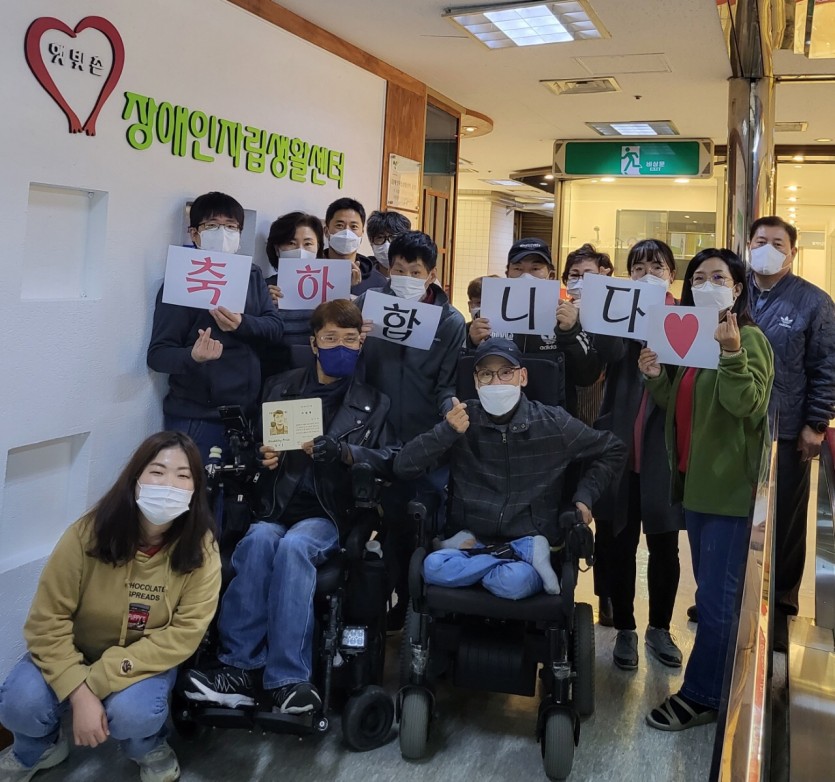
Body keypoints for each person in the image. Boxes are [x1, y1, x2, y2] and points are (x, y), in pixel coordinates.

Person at [182, 300, 399, 715]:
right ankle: (238, 668)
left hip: (330, 514)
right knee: (259, 540)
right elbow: (253, 447)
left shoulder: (375, 403)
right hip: (276, 506)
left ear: (361, 344)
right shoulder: (280, 388)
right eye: (330, 338)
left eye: (350, 339)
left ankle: (288, 678)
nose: (340, 346)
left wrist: (346, 453)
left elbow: (391, 458)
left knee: (295, 546)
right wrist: (260, 456)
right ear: (314, 343)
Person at [0, 432, 220, 782]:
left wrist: (98, 681)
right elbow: (46, 621)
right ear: (135, 479)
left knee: (135, 714)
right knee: (19, 702)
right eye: (157, 471)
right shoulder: (86, 534)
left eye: (183, 476)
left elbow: (184, 635)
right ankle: (37, 748)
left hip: (142, 661)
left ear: (196, 489)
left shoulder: (201, 549)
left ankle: (146, 746)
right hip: (74, 650)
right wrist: (78, 690)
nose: (169, 484)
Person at [638, 248, 773, 730]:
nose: (707, 285)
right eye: (699, 278)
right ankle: (716, 683)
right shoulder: (693, 335)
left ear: (737, 289)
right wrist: (656, 377)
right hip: (696, 486)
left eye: (719, 277)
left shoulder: (749, 339)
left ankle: (703, 695)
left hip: (728, 492)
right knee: (712, 593)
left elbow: (748, 405)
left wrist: (732, 354)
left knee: (717, 601)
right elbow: (681, 402)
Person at [393, 337, 626, 598]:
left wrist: (585, 496)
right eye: (486, 374)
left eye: (505, 373)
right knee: (431, 566)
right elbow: (403, 466)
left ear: (522, 377)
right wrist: (446, 432)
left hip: (525, 545)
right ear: (476, 380)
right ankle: (512, 554)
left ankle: (513, 554)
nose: (496, 382)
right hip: (473, 541)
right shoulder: (462, 421)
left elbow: (613, 448)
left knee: (513, 581)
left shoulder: (552, 423)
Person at [354, 230, 466, 628]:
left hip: (425, 440)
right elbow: (354, 370)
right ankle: (380, 606)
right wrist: (354, 340)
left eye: (414, 272)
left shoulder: (450, 321)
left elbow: (446, 384)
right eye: (398, 270)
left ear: (431, 275)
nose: (404, 278)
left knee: (421, 525)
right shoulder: (368, 305)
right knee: (383, 525)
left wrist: (449, 415)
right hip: (376, 436)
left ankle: (420, 608)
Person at [593, 239, 684, 670]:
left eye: (657, 267)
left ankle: (660, 628)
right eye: (639, 268)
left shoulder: (686, 318)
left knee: (665, 544)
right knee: (618, 543)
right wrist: (624, 319)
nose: (648, 274)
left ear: (672, 275)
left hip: (663, 451)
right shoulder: (618, 314)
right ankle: (626, 629)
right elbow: (604, 357)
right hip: (620, 449)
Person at [746, 216, 835, 652]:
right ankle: (735, 595)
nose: (768, 248)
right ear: (748, 246)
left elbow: (826, 366)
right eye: (761, 241)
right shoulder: (732, 292)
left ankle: (780, 604)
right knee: (736, 516)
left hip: (785, 426)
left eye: (778, 243)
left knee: (783, 521)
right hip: (734, 429)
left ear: (792, 252)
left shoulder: (814, 302)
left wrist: (815, 424)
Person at [147, 191, 284, 462]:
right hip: (196, 416)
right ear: (194, 234)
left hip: (246, 412)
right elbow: (158, 355)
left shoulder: (252, 275)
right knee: (196, 486)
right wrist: (193, 356)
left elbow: (275, 328)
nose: (223, 233)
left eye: (231, 227)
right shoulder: (179, 282)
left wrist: (242, 324)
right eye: (212, 226)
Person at [467, 238, 601, 416]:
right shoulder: (489, 316)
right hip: (498, 418)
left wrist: (571, 332)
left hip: (553, 419)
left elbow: (587, 377)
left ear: (550, 275)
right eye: (518, 269)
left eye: (535, 269)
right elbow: (470, 374)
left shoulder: (566, 317)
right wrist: (472, 343)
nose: (526, 276)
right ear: (508, 274)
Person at [260, 211, 327, 379]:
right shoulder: (262, 288)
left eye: (308, 243)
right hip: (274, 375)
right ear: (277, 249)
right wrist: (264, 307)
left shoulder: (329, 287)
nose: (300, 250)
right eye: (291, 243)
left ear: (318, 248)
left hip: (319, 372)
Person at [323, 197, 387, 294]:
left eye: (354, 227)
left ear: (362, 233)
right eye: (339, 225)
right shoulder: (310, 272)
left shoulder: (378, 282)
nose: (347, 232)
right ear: (326, 231)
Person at [366, 209, 412, 278]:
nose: (387, 245)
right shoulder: (362, 277)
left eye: (393, 237)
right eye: (380, 237)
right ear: (371, 242)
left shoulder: (416, 279)